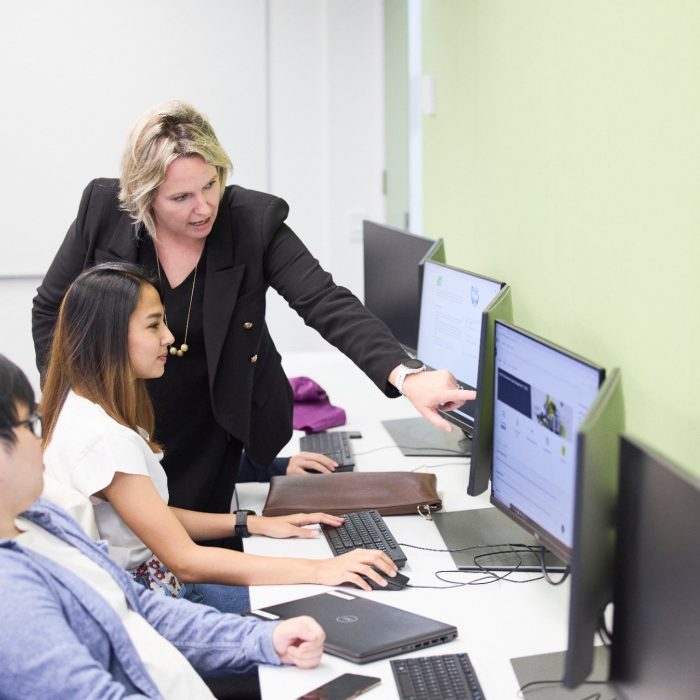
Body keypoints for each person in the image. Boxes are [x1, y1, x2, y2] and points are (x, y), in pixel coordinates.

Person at [32, 99, 474, 518]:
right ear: (144, 197)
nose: (204, 208)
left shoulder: (251, 221)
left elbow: (323, 299)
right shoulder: (103, 211)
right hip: (125, 410)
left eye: (211, 184)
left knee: (201, 539)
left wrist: (405, 373)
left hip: (214, 417)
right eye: (180, 198)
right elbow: (53, 308)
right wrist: (76, 404)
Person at [40, 263, 399, 614]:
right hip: (161, 603)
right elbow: (186, 562)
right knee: (343, 604)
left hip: (159, 584)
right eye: (154, 326)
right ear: (109, 337)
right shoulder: (105, 440)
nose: (169, 336)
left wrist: (250, 522)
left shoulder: (79, 405)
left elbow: (153, 518)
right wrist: (320, 570)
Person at [0, 353, 326, 699]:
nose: (41, 441)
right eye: (31, 424)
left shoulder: (44, 521)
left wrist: (261, 640)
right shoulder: (11, 594)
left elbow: (138, 607)